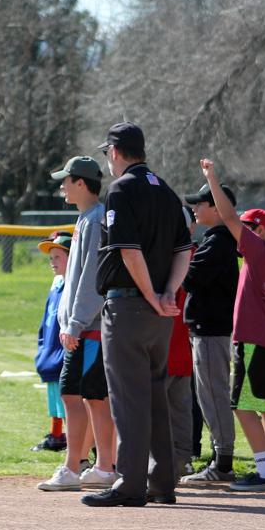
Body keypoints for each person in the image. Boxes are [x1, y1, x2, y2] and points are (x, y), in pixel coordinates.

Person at [81, 122, 192, 507]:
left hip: (130, 306)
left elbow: (129, 251)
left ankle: (130, 484)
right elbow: (184, 249)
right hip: (160, 311)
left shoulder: (121, 189)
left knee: (128, 398)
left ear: (115, 152)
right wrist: (168, 294)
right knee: (155, 397)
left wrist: (150, 295)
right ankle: (163, 481)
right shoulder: (168, 191)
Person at [200, 158, 265, 491]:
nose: (238, 230)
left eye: (248, 226)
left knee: (243, 408)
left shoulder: (257, 252)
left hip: (253, 342)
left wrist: (212, 178)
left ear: (260, 232)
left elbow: (227, 216)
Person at [38, 157, 116, 491]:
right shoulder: (84, 218)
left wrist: (76, 321)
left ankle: (104, 466)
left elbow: (91, 279)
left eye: (66, 180)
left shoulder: (97, 218)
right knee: (72, 394)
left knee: (94, 398)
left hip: (91, 327)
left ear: (81, 183)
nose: (62, 186)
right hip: (79, 326)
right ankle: (74, 466)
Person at [180, 182, 240, 483]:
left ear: (217, 208)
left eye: (200, 203)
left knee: (213, 395)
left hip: (211, 329)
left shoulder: (218, 241)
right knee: (209, 395)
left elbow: (189, 279)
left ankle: (223, 462)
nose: (195, 207)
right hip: (208, 328)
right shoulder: (217, 238)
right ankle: (221, 458)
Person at [165, 207, 198, 481]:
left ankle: (171, 461)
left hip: (168, 342)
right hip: (180, 344)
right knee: (180, 407)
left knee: (170, 406)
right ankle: (182, 461)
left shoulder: (169, 257)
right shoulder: (191, 254)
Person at [32, 231, 71, 454]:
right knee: (55, 400)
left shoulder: (72, 284)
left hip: (64, 351)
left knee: (69, 404)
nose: (52, 262)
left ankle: (78, 449)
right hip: (51, 352)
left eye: (58, 257)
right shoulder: (56, 284)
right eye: (51, 258)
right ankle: (57, 436)